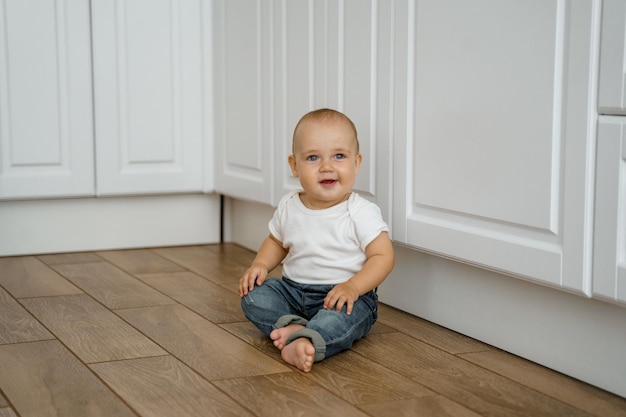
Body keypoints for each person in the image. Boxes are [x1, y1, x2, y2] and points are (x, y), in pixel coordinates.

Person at [238, 108, 394, 372]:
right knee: (253, 294)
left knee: (341, 320)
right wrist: (261, 265)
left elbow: (383, 256)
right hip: (292, 290)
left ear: (356, 163)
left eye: (339, 156)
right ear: (294, 165)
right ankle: (293, 326)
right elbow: (276, 241)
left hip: (343, 295)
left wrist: (354, 287)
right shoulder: (289, 205)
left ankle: (307, 340)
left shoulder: (360, 211)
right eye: (313, 157)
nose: (326, 166)